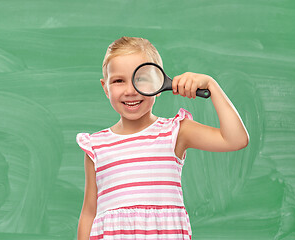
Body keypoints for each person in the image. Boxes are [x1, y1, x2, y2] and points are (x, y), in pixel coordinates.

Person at [76, 36, 249, 240]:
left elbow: (236, 139)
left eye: (141, 78)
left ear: (158, 84)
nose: (130, 90)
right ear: (105, 88)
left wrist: (211, 85)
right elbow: (89, 212)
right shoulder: (95, 146)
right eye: (119, 81)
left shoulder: (175, 132)